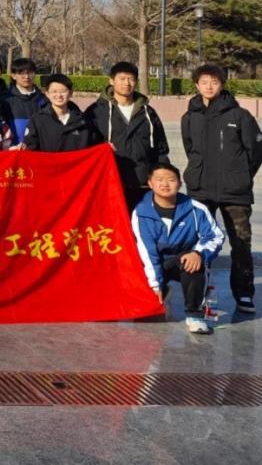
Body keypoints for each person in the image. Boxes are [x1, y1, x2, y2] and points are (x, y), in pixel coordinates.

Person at [181, 63, 262, 314]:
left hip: (234, 192)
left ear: (222, 84)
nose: (209, 86)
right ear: (196, 85)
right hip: (201, 190)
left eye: (214, 82)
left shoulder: (240, 116)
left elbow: (255, 151)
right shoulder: (190, 117)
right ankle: (198, 291)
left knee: (240, 242)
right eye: (204, 82)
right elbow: (190, 149)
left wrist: (240, 175)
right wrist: (198, 172)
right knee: (197, 242)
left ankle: (244, 293)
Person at [132, 163, 224, 334]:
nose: (165, 184)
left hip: (182, 259)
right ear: (150, 183)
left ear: (180, 184)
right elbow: (147, 251)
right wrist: (155, 285)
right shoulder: (141, 212)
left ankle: (194, 316)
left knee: (194, 264)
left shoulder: (196, 209)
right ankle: (163, 288)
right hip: (153, 263)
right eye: (159, 179)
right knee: (146, 308)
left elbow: (216, 236)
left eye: (171, 180)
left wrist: (198, 253)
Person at [84, 61, 170, 210]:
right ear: (111, 81)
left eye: (131, 79)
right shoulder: (96, 111)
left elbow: (161, 148)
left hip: (143, 183)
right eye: (122, 79)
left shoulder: (148, 112)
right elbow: (86, 146)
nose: (127, 83)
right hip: (110, 181)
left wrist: (162, 175)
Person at [22, 74, 99, 152]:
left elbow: (94, 149)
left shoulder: (83, 121)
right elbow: (30, 148)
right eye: (54, 91)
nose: (59, 95)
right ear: (47, 94)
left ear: (70, 93)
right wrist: (23, 148)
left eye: (63, 91)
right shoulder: (37, 120)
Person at [1, 58, 47, 144]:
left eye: (30, 72)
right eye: (22, 73)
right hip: (15, 149)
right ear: (13, 75)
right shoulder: (5, 100)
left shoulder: (44, 100)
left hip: (40, 149)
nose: (26, 77)